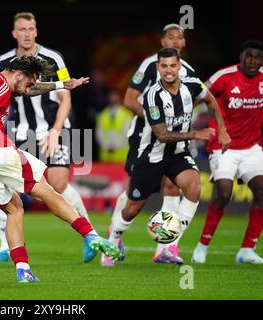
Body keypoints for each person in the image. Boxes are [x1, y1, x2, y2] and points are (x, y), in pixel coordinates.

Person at [0, 56, 120, 283]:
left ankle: (23, 270)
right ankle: (91, 235)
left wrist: (60, 85)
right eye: (28, 81)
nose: (28, 88)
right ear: (18, 74)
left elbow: (29, 90)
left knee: (14, 209)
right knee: (46, 191)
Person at [108, 48, 230, 266]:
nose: (169, 71)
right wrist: (196, 134)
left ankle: (170, 245)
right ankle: (113, 241)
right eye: (164, 66)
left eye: (173, 65)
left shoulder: (192, 85)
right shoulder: (152, 96)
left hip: (178, 154)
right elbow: (162, 135)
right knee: (133, 208)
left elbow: (212, 102)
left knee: (193, 187)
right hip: (151, 155)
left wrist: (222, 131)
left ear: (179, 66)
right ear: (158, 68)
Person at [0, 12, 95, 263]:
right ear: (14, 33)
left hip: (54, 129)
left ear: (36, 31)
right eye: (22, 29)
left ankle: (89, 235)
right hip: (21, 131)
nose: (27, 33)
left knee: (58, 184)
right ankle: (5, 247)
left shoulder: (53, 58)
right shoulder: (4, 61)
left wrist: (56, 130)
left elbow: (65, 95)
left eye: (31, 28)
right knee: (9, 185)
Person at [103, 23, 198, 266]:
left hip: (174, 144)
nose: (175, 42)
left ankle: (165, 248)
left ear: (184, 44)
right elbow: (129, 99)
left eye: (180, 38)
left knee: (173, 186)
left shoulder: (188, 71)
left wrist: (179, 123)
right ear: (162, 41)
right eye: (170, 37)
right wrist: (157, 121)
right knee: (133, 193)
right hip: (144, 138)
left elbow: (195, 99)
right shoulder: (148, 65)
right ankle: (113, 237)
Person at [192, 40, 263, 264]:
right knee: (224, 193)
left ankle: (247, 250)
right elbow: (197, 94)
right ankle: (202, 246)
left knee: (262, 193)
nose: (253, 61)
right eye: (249, 56)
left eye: (258, 58)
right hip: (224, 147)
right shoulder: (224, 76)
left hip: (252, 147)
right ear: (241, 56)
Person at [95, 88, 133, 163]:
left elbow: (126, 134)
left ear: (119, 97)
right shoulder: (102, 115)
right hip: (106, 157)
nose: (113, 98)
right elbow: (99, 134)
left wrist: (114, 146)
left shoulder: (127, 115)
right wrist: (106, 146)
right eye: (111, 95)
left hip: (121, 156)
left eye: (115, 95)